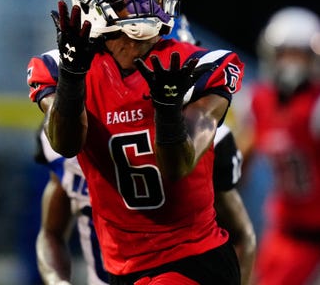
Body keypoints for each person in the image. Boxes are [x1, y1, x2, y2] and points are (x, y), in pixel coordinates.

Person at [38, 0, 245, 284]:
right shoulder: (62, 67)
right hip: (121, 267)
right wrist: (72, 80)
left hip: (192, 258)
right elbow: (65, 143)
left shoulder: (203, 65)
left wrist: (167, 111)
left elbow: (178, 165)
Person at [28, 18, 255, 285]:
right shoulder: (65, 135)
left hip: (181, 266)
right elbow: (51, 233)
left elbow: (241, 237)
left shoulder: (208, 139)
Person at [233, 6, 320, 285]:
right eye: (285, 53)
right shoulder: (259, 101)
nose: (291, 64)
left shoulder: (315, 108)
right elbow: (240, 160)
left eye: (299, 55)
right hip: (282, 229)